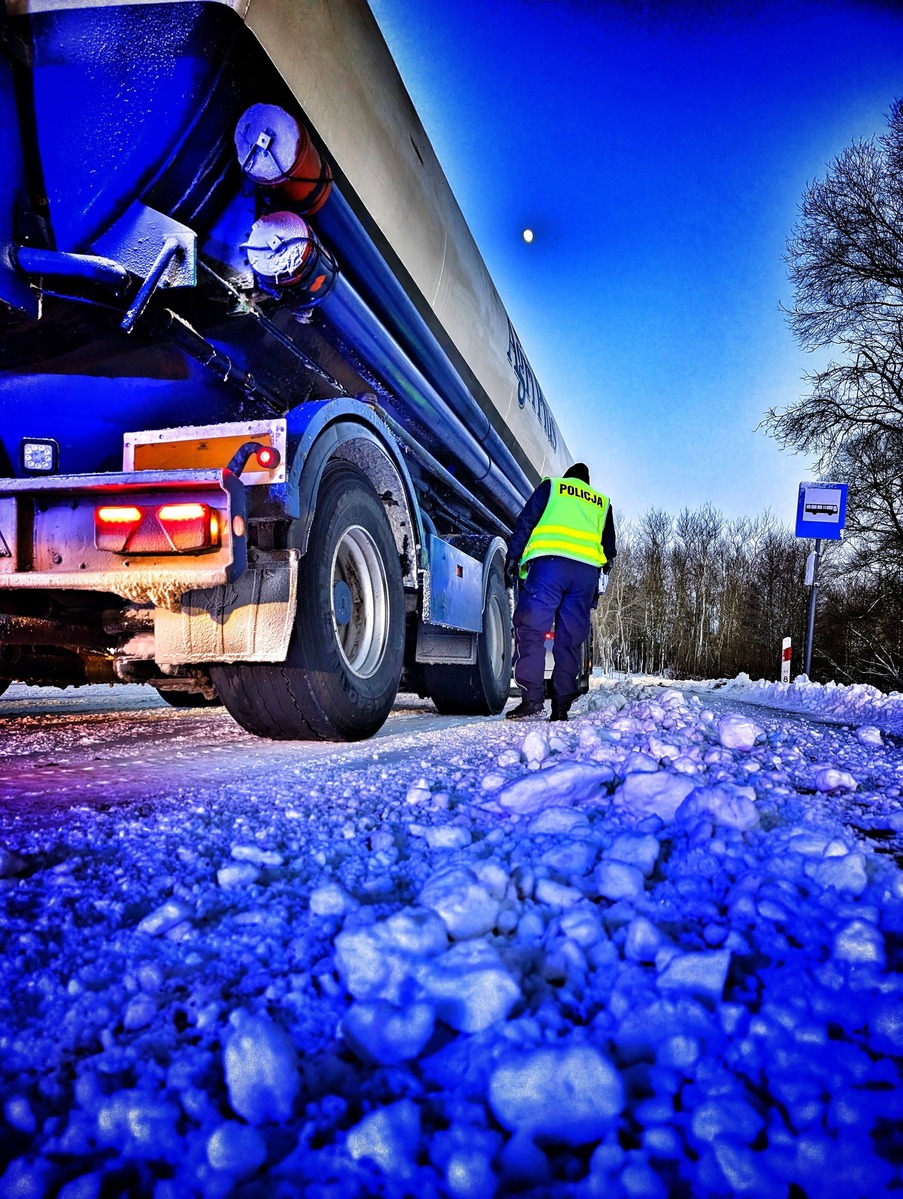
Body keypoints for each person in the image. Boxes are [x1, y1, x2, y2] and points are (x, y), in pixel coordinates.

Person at [504, 463, 616, 722]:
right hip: (585, 575)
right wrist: (595, 591)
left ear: (569, 478)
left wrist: (513, 557)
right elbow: (608, 552)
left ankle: (532, 700)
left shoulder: (553, 487)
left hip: (549, 568)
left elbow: (526, 522)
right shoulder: (602, 503)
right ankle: (561, 708)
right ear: (586, 483)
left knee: (531, 630)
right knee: (569, 640)